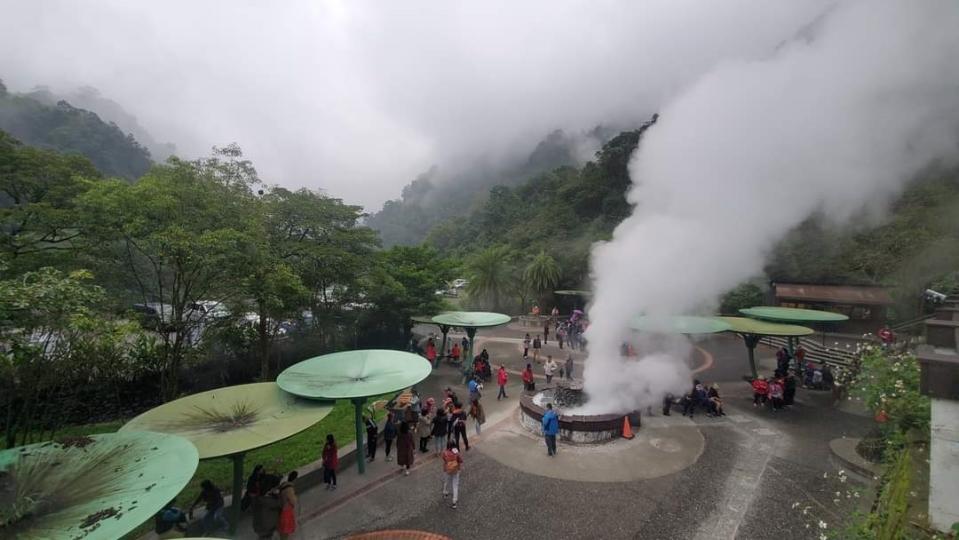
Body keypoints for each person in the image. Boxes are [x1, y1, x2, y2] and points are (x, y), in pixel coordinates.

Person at [442, 439, 464, 509]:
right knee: (455, 485)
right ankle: (454, 501)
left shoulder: (445, 452)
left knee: (446, 481)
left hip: (447, 470)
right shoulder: (456, 452)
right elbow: (460, 460)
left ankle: (445, 493)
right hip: (455, 470)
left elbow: (444, 459)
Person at [277, 471, 298, 540]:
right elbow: (293, 500)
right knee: (286, 528)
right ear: (295, 479)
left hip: (281, 507)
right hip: (286, 510)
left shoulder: (283, 485)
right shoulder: (289, 489)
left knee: (283, 528)